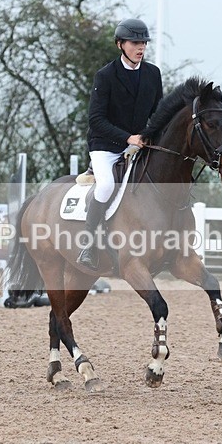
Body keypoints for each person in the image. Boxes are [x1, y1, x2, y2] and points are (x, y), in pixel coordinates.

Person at [76, 18, 163, 271]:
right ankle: (88, 244)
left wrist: (150, 136)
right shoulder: (105, 76)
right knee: (106, 186)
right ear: (120, 44)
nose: (141, 47)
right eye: (135, 42)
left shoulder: (152, 74)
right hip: (105, 146)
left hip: (136, 145)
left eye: (144, 43)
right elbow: (96, 120)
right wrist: (127, 138)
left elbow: (158, 113)